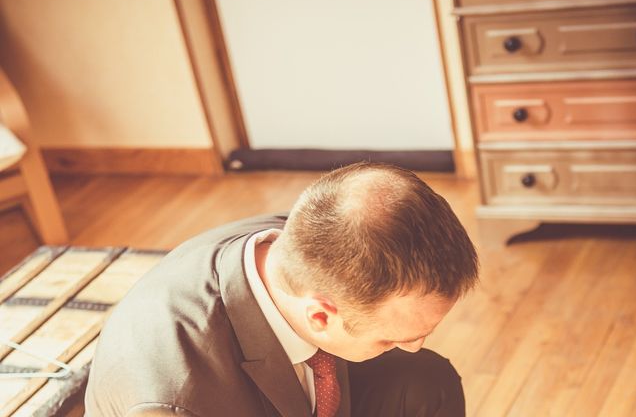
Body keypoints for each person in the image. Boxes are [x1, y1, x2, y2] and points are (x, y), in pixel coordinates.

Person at [85, 162, 478, 417]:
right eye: (391, 339)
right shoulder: (174, 402)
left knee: (425, 379)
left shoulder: (311, 240)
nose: (413, 344)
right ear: (321, 316)